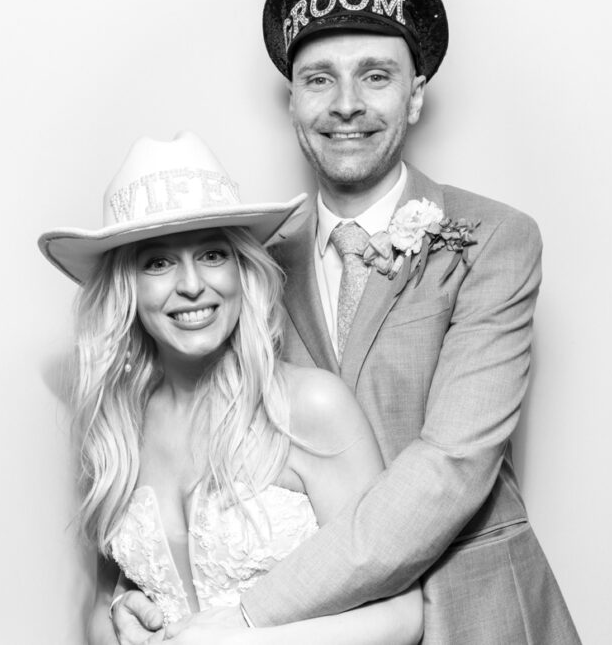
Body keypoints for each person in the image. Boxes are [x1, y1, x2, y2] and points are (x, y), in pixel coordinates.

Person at [116, 0, 581, 643]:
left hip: (477, 612)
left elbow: (453, 463)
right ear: (294, 103)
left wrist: (250, 614)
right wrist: (135, 597)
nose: (345, 105)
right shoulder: (250, 266)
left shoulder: (494, 240)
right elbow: (197, 454)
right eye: (319, 80)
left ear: (415, 96)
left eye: (375, 75)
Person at [38, 131, 424, 645]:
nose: (192, 284)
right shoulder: (114, 427)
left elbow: (400, 617)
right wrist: (119, 619)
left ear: (244, 271)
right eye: (158, 262)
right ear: (126, 287)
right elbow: (102, 607)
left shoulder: (310, 407)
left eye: (213, 255)